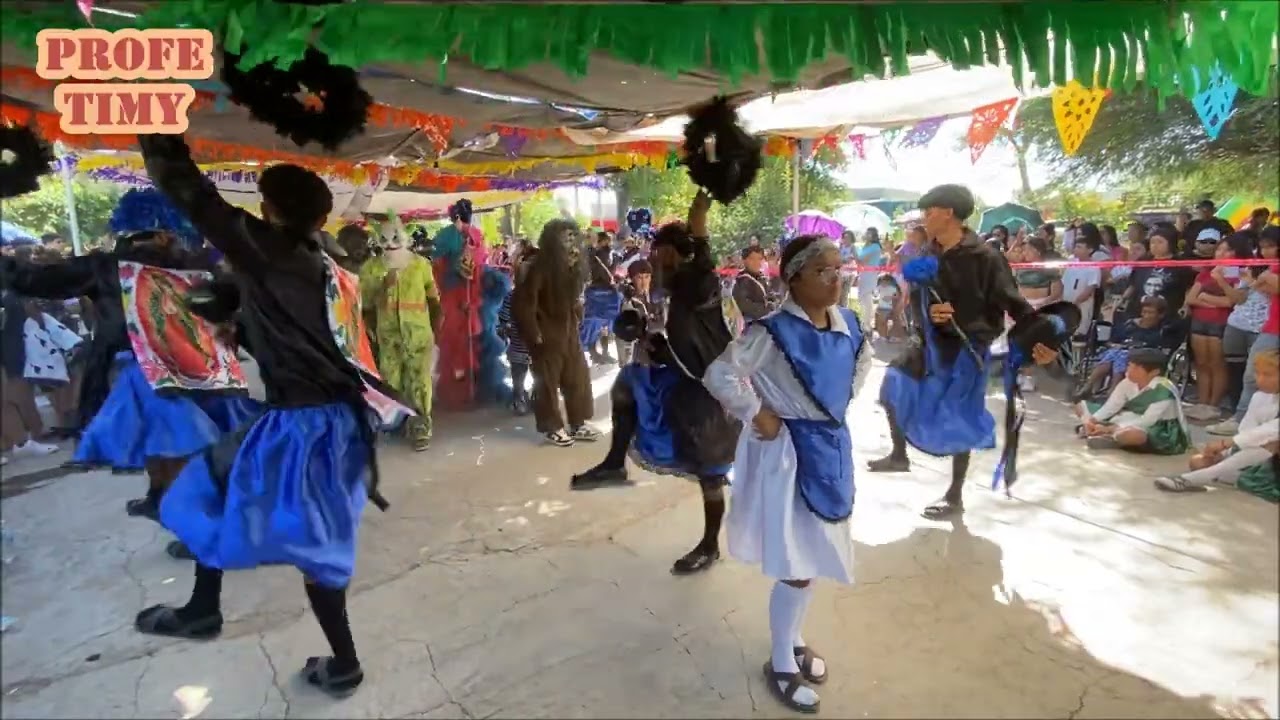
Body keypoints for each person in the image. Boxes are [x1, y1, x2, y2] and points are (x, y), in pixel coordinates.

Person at [131, 133, 413, 697]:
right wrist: (237, 316)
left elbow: (191, 193)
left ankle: (339, 660)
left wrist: (156, 124)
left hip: (303, 427)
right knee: (232, 499)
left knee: (237, 511)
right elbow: (299, 327)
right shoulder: (328, 263)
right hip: (337, 424)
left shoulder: (264, 248)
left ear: (268, 211)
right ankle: (207, 609)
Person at [1, 190, 260, 538]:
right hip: (205, 372)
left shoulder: (107, 266)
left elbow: (33, 279)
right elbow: (230, 313)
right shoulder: (200, 266)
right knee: (186, 445)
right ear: (168, 230)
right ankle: (167, 500)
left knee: (174, 447)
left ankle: (197, 522)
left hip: (145, 375)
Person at [701, 235, 870, 713]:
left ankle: (793, 639)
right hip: (790, 458)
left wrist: (833, 411)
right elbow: (720, 375)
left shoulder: (850, 325)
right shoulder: (771, 332)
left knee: (812, 555)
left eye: (840, 269)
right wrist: (759, 411)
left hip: (831, 451)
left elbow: (860, 368)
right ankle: (780, 663)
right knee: (797, 565)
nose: (835, 279)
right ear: (793, 277)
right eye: (823, 271)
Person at [570, 190, 741, 574]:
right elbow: (683, 343)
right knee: (627, 382)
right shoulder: (678, 292)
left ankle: (710, 545)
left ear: (679, 256)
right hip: (683, 380)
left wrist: (699, 223)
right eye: (656, 254)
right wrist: (656, 343)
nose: (656, 262)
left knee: (709, 472)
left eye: (664, 255)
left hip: (712, 392)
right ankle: (615, 463)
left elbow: (704, 271)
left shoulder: (698, 283)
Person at [867, 185, 1058, 519]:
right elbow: (917, 298)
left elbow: (1013, 302)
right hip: (928, 342)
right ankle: (899, 454)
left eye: (929, 212)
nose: (924, 218)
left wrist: (1042, 339)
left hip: (968, 347)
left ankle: (955, 495)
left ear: (948, 213)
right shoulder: (929, 252)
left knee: (961, 417)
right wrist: (929, 314)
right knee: (893, 386)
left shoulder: (984, 256)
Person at [512, 219, 599, 446]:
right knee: (547, 382)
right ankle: (553, 427)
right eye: (565, 236)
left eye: (573, 235)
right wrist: (533, 331)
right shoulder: (537, 265)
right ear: (552, 239)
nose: (570, 240)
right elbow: (524, 302)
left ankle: (578, 422)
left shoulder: (573, 265)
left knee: (577, 376)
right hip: (546, 332)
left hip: (568, 330)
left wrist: (573, 272)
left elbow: (573, 298)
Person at [359, 214, 440, 451]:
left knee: (419, 381)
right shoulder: (371, 268)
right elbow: (366, 305)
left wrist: (435, 330)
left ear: (405, 238)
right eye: (384, 239)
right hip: (388, 336)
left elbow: (434, 300)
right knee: (391, 379)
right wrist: (370, 331)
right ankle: (395, 422)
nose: (390, 243)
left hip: (418, 334)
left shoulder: (421, 265)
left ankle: (420, 425)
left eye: (395, 237)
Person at [1156, 349, 1278, 493]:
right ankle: (1231, 474)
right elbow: (1247, 431)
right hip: (1258, 454)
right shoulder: (1259, 397)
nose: (1260, 379)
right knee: (1198, 462)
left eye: (1268, 375)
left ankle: (1193, 479)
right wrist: (1226, 452)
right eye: (1258, 373)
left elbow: (1270, 431)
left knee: (1271, 444)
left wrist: (1224, 444)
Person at [1209, 226, 1280, 436]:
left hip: (1266, 328)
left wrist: (1260, 281)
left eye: (1272, 246)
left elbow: (1271, 287)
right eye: (1263, 247)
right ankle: (1241, 420)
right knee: (1252, 375)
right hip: (1272, 327)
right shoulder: (1264, 267)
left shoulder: (1268, 269)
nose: (1267, 251)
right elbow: (1255, 291)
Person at [1075, 347, 1190, 455]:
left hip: (1157, 429)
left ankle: (1111, 438)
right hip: (1127, 418)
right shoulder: (1127, 382)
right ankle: (1104, 434)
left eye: (1135, 368)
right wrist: (1092, 420)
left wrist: (1110, 428)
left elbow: (1147, 421)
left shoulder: (1164, 390)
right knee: (1081, 406)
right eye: (1129, 366)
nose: (1128, 370)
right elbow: (1112, 406)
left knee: (1134, 435)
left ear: (1154, 372)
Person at [1184, 236, 1248, 420]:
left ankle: (1214, 405)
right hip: (1199, 321)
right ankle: (1202, 403)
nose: (1221, 253)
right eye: (1220, 249)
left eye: (1227, 250)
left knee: (1217, 365)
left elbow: (1231, 301)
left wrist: (1206, 298)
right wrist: (1214, 301)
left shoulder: (1240, 274)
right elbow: (1191, 298)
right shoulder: (1206, 271)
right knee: (1202, 364)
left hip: (1221, 323)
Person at [1079, 296, 1176, 398]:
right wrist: (1114, 344)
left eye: (1150, 313)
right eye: (1144, 312)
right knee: (1116, 353)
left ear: (1160, 315)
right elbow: (1116, 338)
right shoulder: (1131, 324)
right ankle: (1090, 387)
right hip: (1123, 351)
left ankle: (1107, 389)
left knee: (1120, 354)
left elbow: (1160, 347)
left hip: (1145, 355)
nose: (1146, 315)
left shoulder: (1163, 330)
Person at [498, 251, 533, 415]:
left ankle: (519, 401)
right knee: (540, 376)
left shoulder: (511, 295)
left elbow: (503, 319)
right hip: (538, 346)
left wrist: (505, 330)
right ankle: (537, 399)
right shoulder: (544, 296)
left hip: (518, 346)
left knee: (518, 376)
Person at [581, 230, 622, 365]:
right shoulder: (609, 254)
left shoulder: (597, 254)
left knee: (595, 324)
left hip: (598, 291)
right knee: (604, 325)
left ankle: (598, 353)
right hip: (604, 291)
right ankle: (600, 354)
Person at [614, 259, 660, 366]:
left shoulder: (656, 295)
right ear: (632, 278)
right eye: (639, 277)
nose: (643, 281)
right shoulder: (626, 297)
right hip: (635, 348)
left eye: (647, 277)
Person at [733, 245, 774, 325]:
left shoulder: (761, 277)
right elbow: (743, 304)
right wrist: (767, 309)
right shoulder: (741, 280)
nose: (756, 262)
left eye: (759, 259)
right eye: (752, 259)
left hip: (767, 317)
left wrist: (773, 301)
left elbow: (769, 294)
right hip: (752, 324)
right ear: (744, 260)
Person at [855, 228, 884, 329]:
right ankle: (865, 321)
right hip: (864, 273)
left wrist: (853, 250)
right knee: (862, 297)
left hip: (870, 274)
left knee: (866, 296)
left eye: (869, 233)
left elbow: (862, 260)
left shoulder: (875, 247)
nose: (867, 235)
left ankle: (867, 323)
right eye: (866, 232)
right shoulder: (866, 246)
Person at [874, 273, 903, 341]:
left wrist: (891, 297)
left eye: (886, 281)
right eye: (882, 281)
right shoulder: (880, 287)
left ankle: (893, 336)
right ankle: (883, 336)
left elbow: (897, 296)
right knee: (882, 322)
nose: (884, 282)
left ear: (890, 282)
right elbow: (875, 293)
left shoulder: (892, 288)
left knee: (887, 321)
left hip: (889, 307)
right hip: (881, 307)